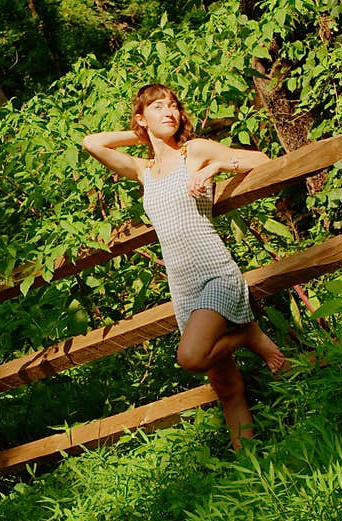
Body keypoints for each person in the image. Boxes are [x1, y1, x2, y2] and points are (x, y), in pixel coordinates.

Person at [81, 83, 286, 451]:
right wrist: (142, 132)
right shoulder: (144, 170)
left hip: (215, 272)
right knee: (227, 389)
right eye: (158, 107)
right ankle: (252, 468)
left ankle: (249, 335)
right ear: (142, 118)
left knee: (190, 357)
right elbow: (91, 143)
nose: (170, 112)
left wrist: (219, 166)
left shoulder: (194, 151)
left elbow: (263, 160)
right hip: (183, 287)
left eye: (173, 106)